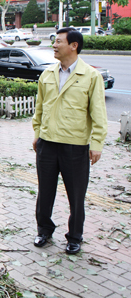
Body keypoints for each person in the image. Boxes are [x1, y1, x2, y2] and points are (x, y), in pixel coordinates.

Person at [32, 27, 107, 255]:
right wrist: (37, 134)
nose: (54, 45)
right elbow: (40, 108)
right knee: (45, 192)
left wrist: (96, 144)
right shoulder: (48, 74)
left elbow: (99, 114)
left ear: (73, 45)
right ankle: (44, 230)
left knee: (76, 194)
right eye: (54, 42)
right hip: (47, 143)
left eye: (58, 42)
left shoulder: (91, 76)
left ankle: (75, 236)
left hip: (75, 146)